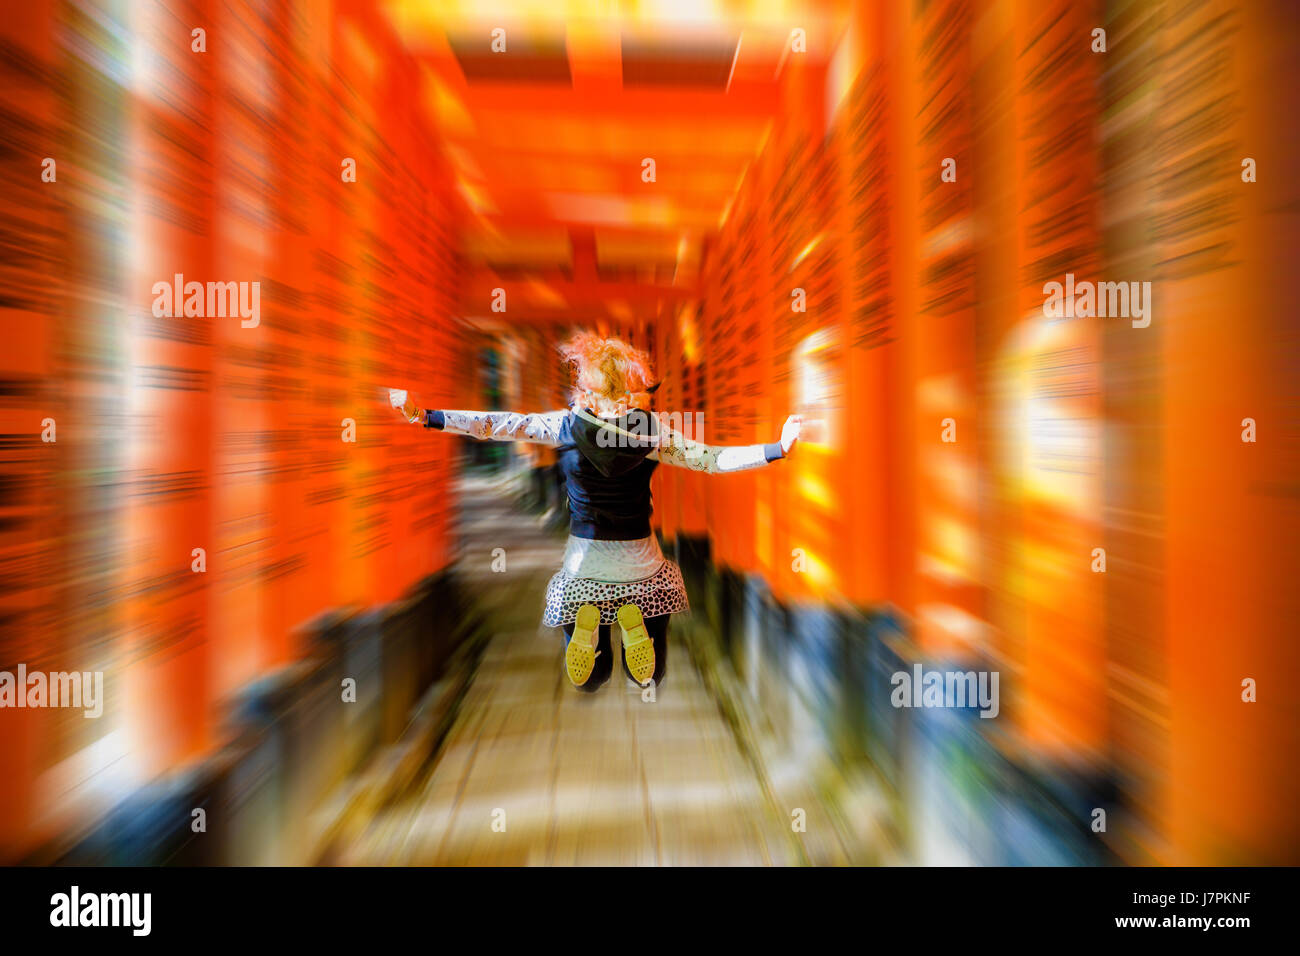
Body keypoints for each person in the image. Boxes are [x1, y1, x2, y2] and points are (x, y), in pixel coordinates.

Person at [388, 333, 800, 692]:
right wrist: (776, 449)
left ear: (585, 389)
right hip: (640, 560)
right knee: (649, 673)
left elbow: (500, 424)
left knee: (592, 675)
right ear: (630, 387)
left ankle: (581, 644)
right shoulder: (652, 431)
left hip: (585, 562)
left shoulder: (564, 427)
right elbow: (713, 459)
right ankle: (636, 629)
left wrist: (429, 417)